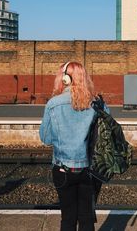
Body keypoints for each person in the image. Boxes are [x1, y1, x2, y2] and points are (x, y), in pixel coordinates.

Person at [39, 61, 108, 231]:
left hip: (62, 169)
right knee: (86, 218)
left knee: (68, 218)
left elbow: (46, 138)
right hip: (90, 170)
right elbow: (105, 136)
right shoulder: (98, 104)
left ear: (65, 79)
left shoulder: (54, 104)